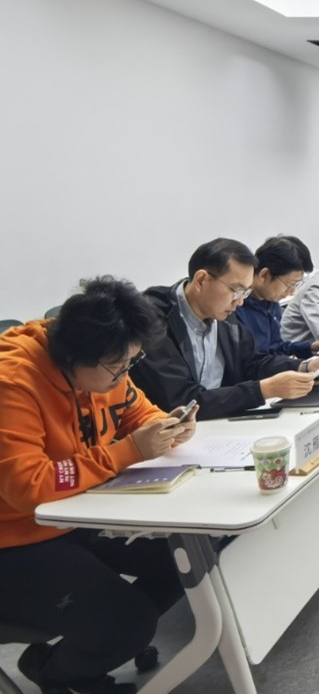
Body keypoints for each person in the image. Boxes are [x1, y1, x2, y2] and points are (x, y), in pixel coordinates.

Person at [0, 277, 198, 694]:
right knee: (129, 622)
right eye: (118, 367)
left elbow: (140, 414)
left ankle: (80, 648)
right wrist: (127, 452)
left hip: (80, 514)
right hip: (17, 540)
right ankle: (59, 672)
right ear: (73, 356)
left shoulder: (105, 362)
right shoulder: (12, 381)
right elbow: (27, 485)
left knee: (186, 560)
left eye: (131, 363)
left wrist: (168, 427)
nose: (124, 375)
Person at [134, 238, 319, 419]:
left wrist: (305, 366)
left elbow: (253, 362)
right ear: (201, 280)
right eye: (236, 291)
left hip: (221, 423)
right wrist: (262, 390)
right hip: (173, 433)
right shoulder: (151, 319)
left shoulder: (223, 314)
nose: (240, 302)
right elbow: (181, 400)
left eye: (245, 293)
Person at [236, 235, 319, 359]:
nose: (292, 292)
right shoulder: (236, 307)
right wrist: (301, 366)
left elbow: (276, 347)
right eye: (290, 284)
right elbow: (255, 362)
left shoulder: (270, 301)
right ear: (265, 275)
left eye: (296, 285)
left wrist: (309, 348)